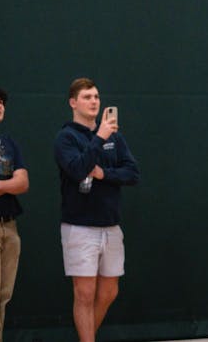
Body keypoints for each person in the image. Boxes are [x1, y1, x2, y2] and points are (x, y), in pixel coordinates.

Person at [54, 78, 140, 342]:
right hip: (79, 227)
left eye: (96, 97)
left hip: (111, 226)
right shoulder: (65, 137)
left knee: (108, 292)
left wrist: (104, 173)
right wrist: (99, 138)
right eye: (87, 97)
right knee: (84, 293)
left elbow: (132, 173)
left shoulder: (115, 136)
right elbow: (78, 169)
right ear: (73, 103)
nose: (94, 101)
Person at [0, 87, 27, 341]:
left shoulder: (9, 143)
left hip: (9, 226)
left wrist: (0, 186)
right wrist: (8, 184)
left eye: (1, 101)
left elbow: (23, 183)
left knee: (3, 297)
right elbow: (13, 182)